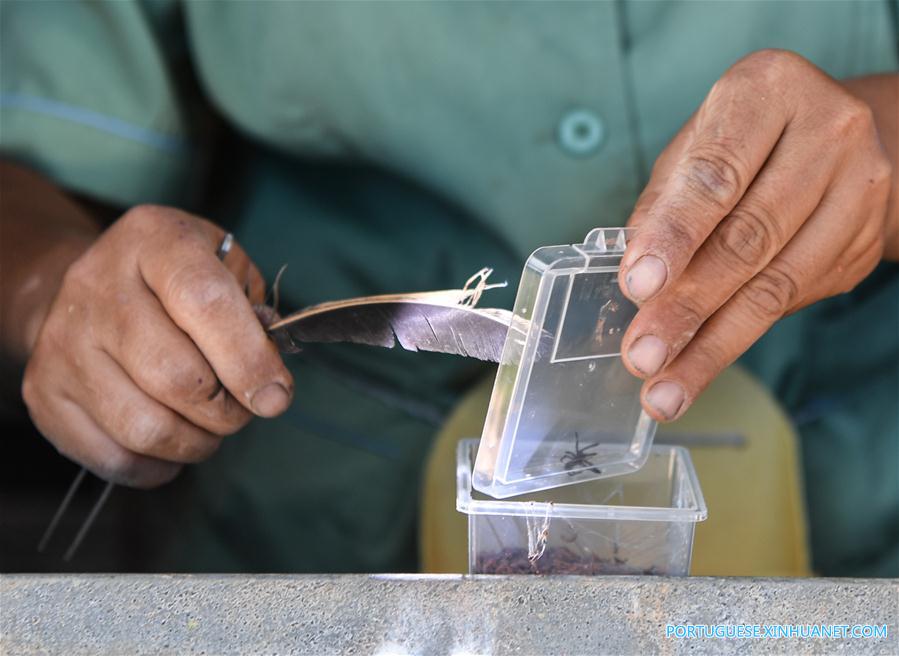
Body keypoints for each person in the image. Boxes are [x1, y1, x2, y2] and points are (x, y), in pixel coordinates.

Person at [1, 1, 896, 576]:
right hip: (312, 526)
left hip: (857, 497)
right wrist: (51, 288)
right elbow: (32, 151)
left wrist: (878, 146)